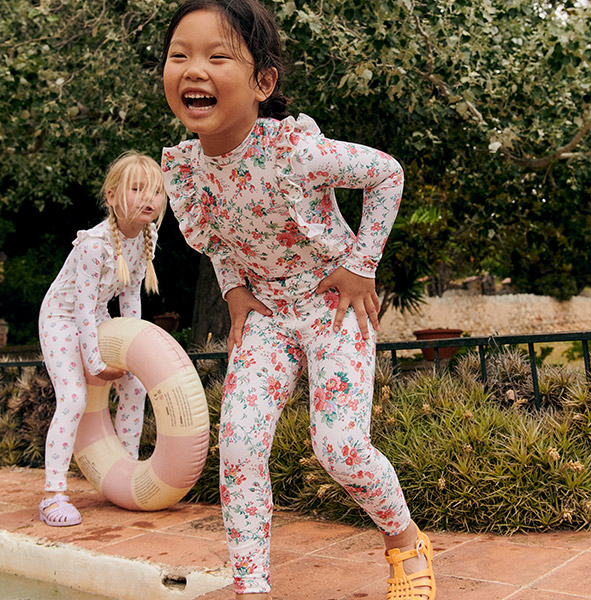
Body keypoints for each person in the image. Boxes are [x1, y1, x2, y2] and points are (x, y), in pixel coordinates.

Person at [160, 1, 436, 598]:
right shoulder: (188, 168)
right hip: (267, 315)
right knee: (238, 445)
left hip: (332, 307)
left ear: (263, 83)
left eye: (217, 56)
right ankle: (250, 585)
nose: (194, 69)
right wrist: (233, 288)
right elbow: (218, 235)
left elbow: (387, 174)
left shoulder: (295, 151)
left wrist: (360, 265)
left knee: (339, 447)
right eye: (179, 55)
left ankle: (405, 539)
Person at [38, 151, 167, 527]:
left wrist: (132, 354)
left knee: (135, 387)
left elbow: (129, 297)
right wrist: (94, 363)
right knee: (74, 398)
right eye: (137, 189)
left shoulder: (147, 235)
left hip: (95, 317)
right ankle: (52, 494)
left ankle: (123, 474)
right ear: (112, 196)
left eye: (156, 191)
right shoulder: (95, 244)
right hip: (62, 318)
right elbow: (80, 307)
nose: (149, 198)